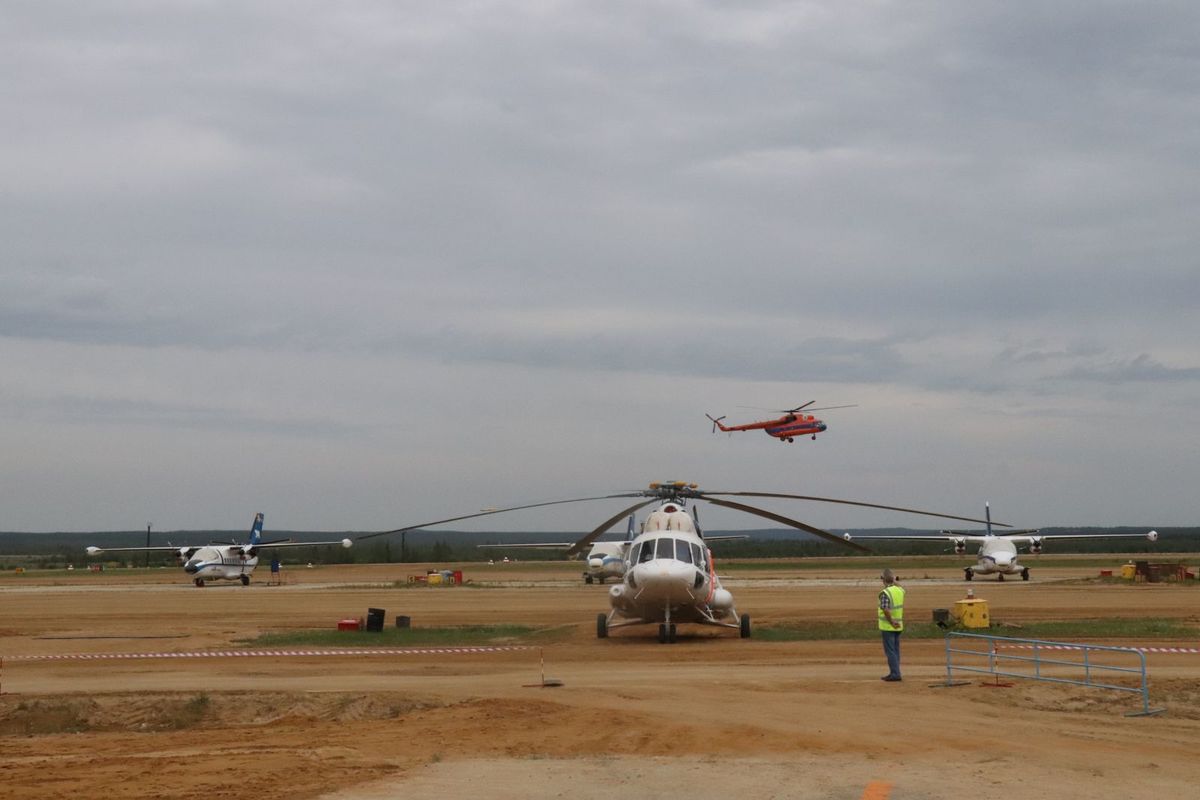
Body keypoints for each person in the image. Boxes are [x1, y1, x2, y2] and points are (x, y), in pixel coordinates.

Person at [878, 568, 905, 681]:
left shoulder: (885, 593)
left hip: (889, 626)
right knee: (896, 650)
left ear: (883, 580)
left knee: (890, 651)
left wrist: (891, 621)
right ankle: (895, 671)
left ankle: (895, 674)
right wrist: (894, 579)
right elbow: (901, 588)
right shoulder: (899, 590)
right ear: (893, 579)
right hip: (899, 625)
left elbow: (885, 609)